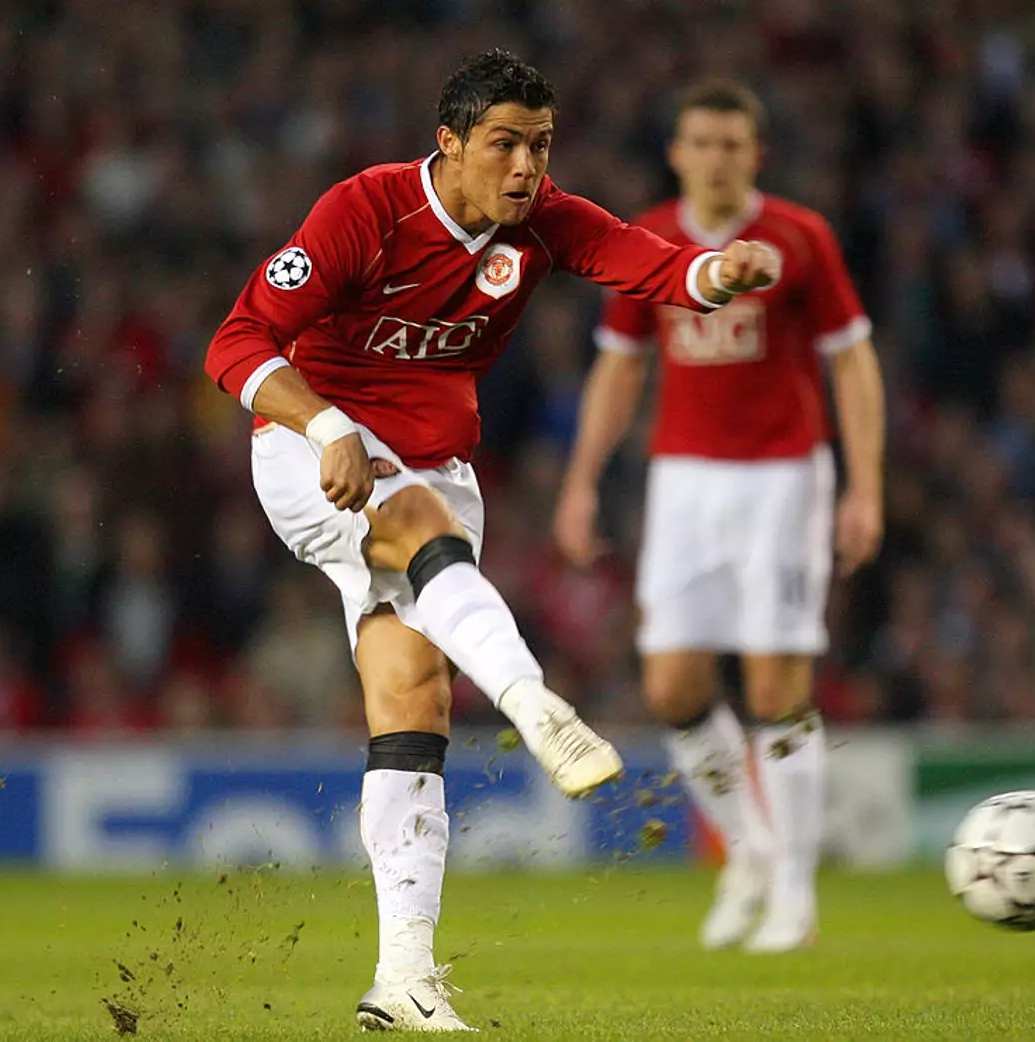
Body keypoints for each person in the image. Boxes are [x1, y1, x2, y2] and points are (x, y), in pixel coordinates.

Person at [204, 51, 780, 1033]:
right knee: (417, 527)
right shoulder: (366, 211)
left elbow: (653, 265)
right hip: (315, 450)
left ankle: (404, 982)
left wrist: (722, 273)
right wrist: (326, 425)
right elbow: (237, 342)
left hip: (436, 467)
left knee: (413, 701)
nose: (527, 167)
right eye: (506, 144)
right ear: (451, 145)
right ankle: (535, 703)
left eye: (541, 146)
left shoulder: (544, 220)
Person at [554, 80, 884, 953]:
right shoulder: (646, 240)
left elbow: (852, 365)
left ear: (756, 156)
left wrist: (865, 487)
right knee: (671, 685)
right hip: (683, 480)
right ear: (677, 152)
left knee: (776, 687)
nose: (716, 158)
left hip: (782, 477)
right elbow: (620, 369)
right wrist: (582, 480)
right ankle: (747, 852)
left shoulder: (801, 237)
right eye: (701, 142)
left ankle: (797, 895)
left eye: (732, 145)